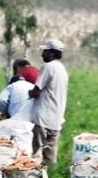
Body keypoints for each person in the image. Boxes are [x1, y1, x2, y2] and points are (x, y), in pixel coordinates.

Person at [28, 38, 69, 167]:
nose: (42, 54)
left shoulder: (48, 67)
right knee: (50, 156)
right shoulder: (62, 69)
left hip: (43, 117)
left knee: (36, 153)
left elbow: (36, 91)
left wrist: (28, 93)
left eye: (45, 51)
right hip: (56, 119)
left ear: (51, 53)